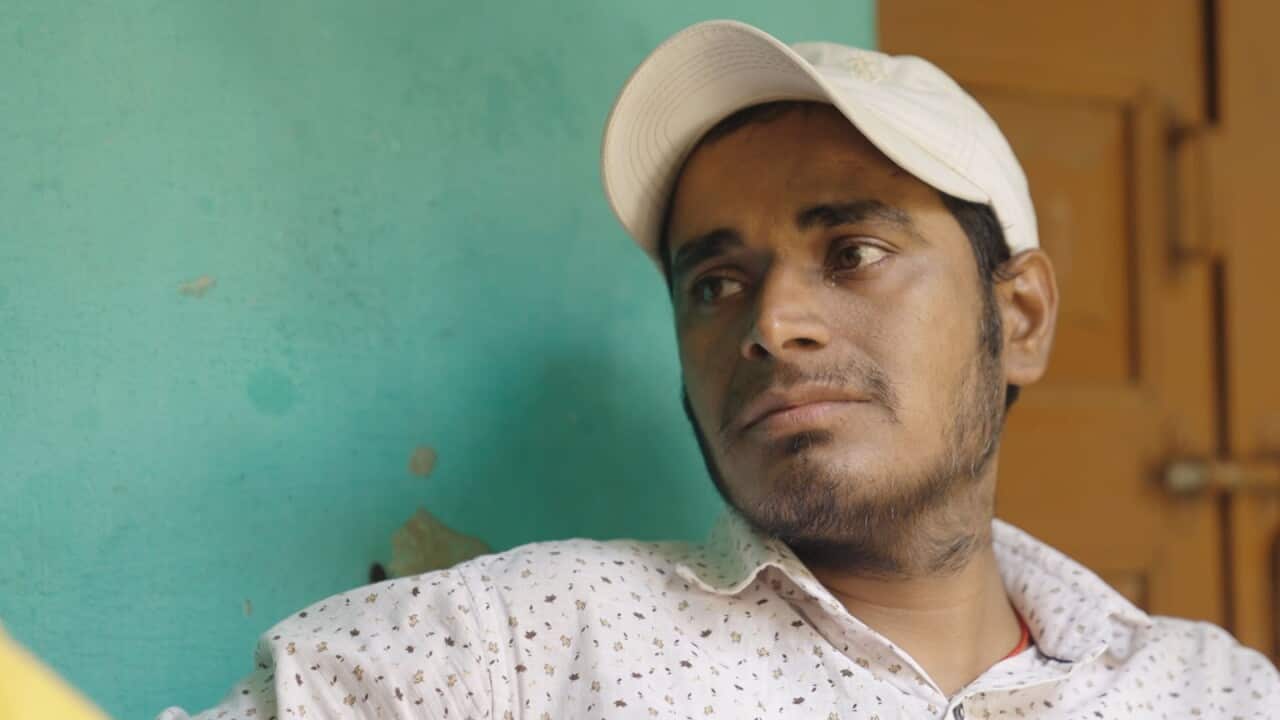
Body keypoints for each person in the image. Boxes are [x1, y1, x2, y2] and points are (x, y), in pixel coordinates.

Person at [160, 20, 1279, 719]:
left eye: (854, 252)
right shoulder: (518, 648)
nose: (771, 324)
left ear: (1018, 316)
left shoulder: (1211, 692)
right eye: (715, 283)